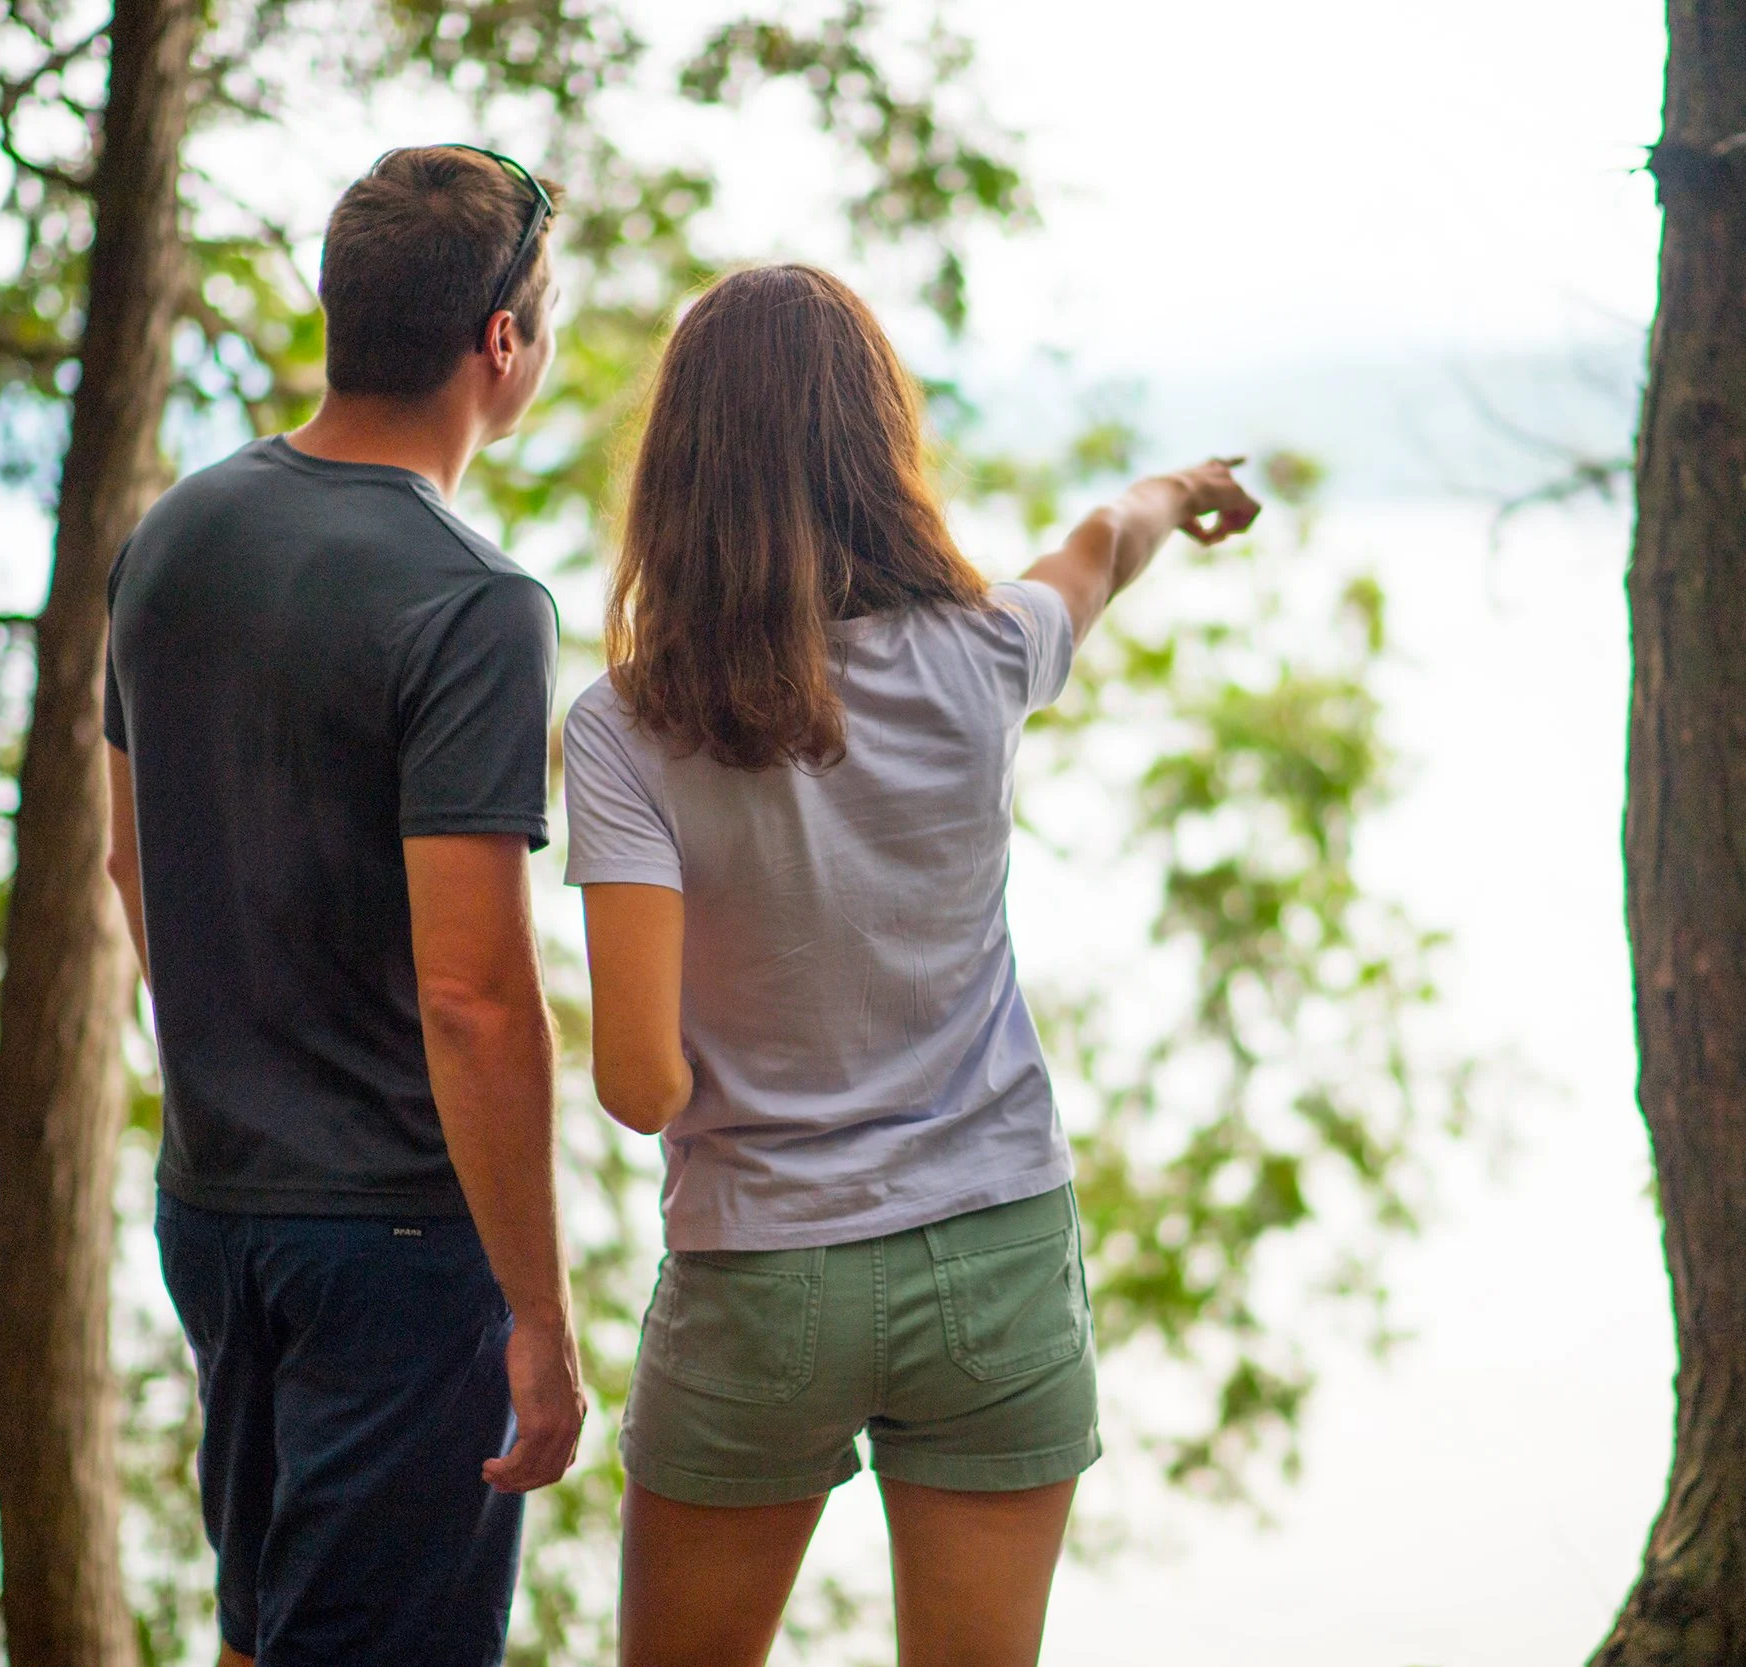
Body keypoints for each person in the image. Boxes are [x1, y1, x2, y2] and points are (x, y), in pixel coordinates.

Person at [562, 262, 1262, 1667]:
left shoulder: (627, 727)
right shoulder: (987, 652)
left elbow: (641, 1084)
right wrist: (1174, 495)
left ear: (683, 468)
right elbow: (1096, 547)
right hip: (995, 1251)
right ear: (877, 444)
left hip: (763, 1274)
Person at [102, 145, 584, 1667]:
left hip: (216, 1205)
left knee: (261, 1632)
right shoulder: (474, 601)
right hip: (395, 1241)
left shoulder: (177, 532)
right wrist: (542, 1320)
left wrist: (251, 1082)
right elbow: (477, 997)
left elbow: (132, 867)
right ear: (498, 340)